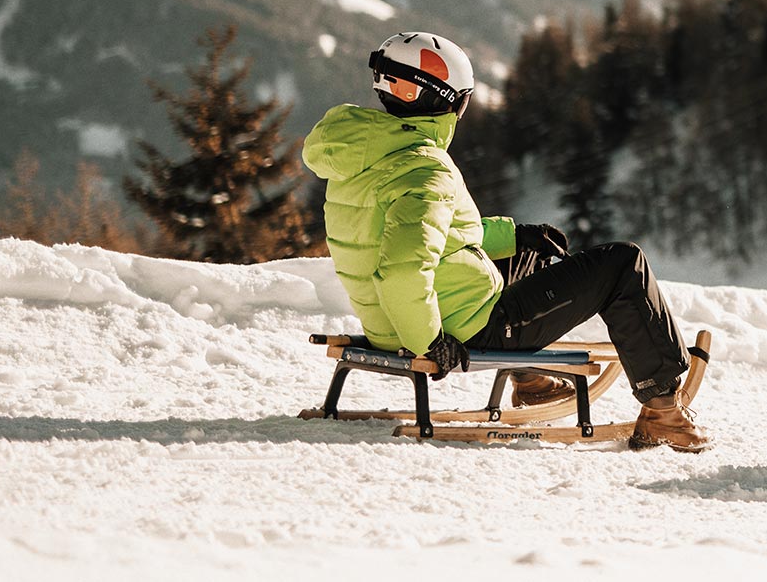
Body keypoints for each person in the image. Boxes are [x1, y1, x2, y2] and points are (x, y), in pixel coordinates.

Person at [303, 31, 709, 452]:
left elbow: (432, 234)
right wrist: (430, 343)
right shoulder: (426, 169)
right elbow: (404, 267)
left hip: (389, 324)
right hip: (458, 330)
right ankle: (663, 408)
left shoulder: (367, 151)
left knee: (528, 253)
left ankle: (531, 383)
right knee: (623, 264)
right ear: (451, 100)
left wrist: (514, 236)